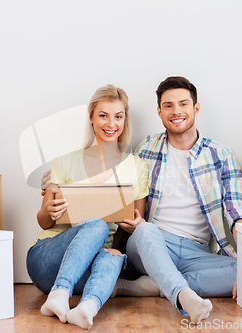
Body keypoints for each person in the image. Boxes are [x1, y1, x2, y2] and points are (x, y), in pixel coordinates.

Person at [116, 76, 242, 323]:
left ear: (195, 108)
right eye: (168, 105)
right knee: (145, 230)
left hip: (196, 252)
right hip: (151, 243)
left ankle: (152, 286)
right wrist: (57, 181)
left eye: (183, 104)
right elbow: (117, 184)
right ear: (159, 112)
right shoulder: (146, 148)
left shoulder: (220, 155)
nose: (176, 111)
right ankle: (182, 294)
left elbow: (236, 208)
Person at [27, 84, 157, 330]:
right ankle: (60, 293)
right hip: (47, 260)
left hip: (89, 268)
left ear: (125, 119)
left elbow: (137, 222)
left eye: (118, 116)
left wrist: (136, 225)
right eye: (103, 115)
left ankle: (87, 308)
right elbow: (44, 221)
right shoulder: (64, 162)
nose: (111, 124)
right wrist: (48, 212)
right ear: (91, 117)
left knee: (113, 255)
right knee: (96, 224)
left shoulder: (138, 167)